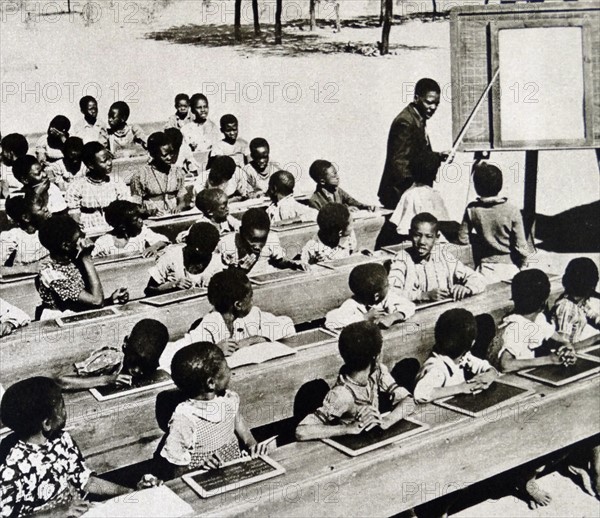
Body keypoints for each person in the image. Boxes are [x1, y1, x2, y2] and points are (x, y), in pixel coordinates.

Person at [0, 377, 156, 516]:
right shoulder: (10, 468)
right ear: (46, 423)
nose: (65, 410)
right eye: (62, 406)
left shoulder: (62, 439)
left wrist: (129, 493)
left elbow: (85, 481)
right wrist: (55, 512)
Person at [159, 344, 270, 476]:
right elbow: (176, 471)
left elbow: (239, 423)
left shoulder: (227, 399)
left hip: (235, 471)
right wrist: (200, 468)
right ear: (211, 383)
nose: (230, 371)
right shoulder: (185, 418)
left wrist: (252, 444)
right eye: (227, 368)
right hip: (204, 480)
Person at [295, 321, 415, 440]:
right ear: (377, 357)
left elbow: (409, 401)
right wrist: (347, 429)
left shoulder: (377, 373)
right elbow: (301, 431)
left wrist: (387, 421)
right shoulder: (342, 395)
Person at [159, 269, 295, 368]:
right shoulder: (209, 324)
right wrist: (213, 351)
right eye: (250, 297)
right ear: (238, 305)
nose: (253, 301)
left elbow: (287, 325)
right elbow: (172, 356)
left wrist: (253, 339)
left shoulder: (252, 316)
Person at [36, 214, 129, 320]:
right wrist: (87, 258)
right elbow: (96, 301)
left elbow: (85, 303)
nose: (84, 239)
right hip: (58, 322)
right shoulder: (51, 274)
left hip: (76, 316)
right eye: (80, 236)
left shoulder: (71, 260)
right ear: (66, 246)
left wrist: (110, 300)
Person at [378, 78, 450, 209]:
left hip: (410, 193)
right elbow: (399, 162)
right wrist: (415, 192)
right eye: (429, 103)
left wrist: (439, 156)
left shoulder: (417, 117)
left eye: (436, 104)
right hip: (401, 194)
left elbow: (417, 154)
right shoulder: (405, 122)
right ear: (417, 98)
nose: (433, 108)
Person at [458, 162, 532, 283]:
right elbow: (522, 246)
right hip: (510, 268)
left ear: (476, 187)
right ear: (500, 185)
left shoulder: (472, 209)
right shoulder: (512, 210)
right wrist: (523, 266)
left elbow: (462, 239)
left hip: (485, 268)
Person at [388, 212, 486, 302]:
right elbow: (390, 292)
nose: (422, 242)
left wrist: (467, 288)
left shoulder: (443, 255)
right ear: (410, 234)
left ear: (437, 238)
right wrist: (422, 295)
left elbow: (477, 278)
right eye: (417, 235)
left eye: (429, 236)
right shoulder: (402, 258)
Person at [57, 319, 169, 391]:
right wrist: (107, 380)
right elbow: (61, 381)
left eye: (145, 365)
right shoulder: (110, 358)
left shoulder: (152, 363)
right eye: (134, 362)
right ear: (125, 344)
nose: (137, 370)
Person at [413, 308, 498, 403]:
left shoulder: (463, 357)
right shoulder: (436, 368)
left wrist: (490, 374)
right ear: (472, 344)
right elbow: (420, 394)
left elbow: (484, 366)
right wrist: (461, 387)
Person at [497, 269, 575, 374]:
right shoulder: (516, 327)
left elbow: (559, 339)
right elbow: (506, 365)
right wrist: (549, 360)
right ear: (544, 302)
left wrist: (567, 348)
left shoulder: (538, 319)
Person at [326, 263, 415, 331]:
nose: (390, 286)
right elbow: (330, 321)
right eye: (387, 284)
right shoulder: (353, 303)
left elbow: (410, 306)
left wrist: (393, 317)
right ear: (376, 296)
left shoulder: (387, 298)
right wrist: (364, 318)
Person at [66, 141, 129, 233]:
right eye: (104, 161)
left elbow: (126, 209)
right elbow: (74, 217)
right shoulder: (77, 186)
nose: (109, 163)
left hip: (115, 228)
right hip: (88, 230)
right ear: (91, 165)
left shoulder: (116, 182)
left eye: (109, 158)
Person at [217, 207, 304, 274]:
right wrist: (239, 271)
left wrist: (292, 264)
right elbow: (221, 277)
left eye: (262, 240)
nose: (257, 246)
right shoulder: (227, 244)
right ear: (242, 232)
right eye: (253, 239)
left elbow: (279, 260)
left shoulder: (271, 239)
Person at [146, 222, 224, 295]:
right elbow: (149, 290)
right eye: (197, 251)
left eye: (206, 251)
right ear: (188, 243)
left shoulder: (216, 261)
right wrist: (173, 285)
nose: (201, 255)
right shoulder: (172, 256)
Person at [389, 154, 449, 237]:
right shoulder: (433, 195)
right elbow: (443, 221)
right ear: (434, 173)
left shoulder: (408, 193)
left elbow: (398, 221)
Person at [130, 131, 188, 217]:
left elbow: (182, 200)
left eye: (171, 153)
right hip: (152, 217)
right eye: (164, 155)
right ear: (153, 154)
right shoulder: (140, 174)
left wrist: (179, 207)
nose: (169, 157)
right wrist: (149, 212)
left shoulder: (177, 171)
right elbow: (135, 206)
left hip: (174, 216)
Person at [92, 200, 170, 259]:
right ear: (123, 226)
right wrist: (98, 256)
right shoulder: (105, 240)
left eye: (140, 217)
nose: (140, 220)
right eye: (135, 220)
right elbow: (91, 257)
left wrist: (153, 247)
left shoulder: (141, 232)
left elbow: (163, 240)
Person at [550, 258, 600, 343]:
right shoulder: (567, 308)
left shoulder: (578, 302)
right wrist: (596, 339)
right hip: (568, 353)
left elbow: (593, 317)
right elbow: (562, 346)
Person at [1, 196, 49, 270]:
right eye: (40, 208)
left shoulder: (48, 229)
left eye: (44, 205)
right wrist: (29, 268)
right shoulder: (13, 237)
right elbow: (1, 270)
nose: (46, 209)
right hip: (25, 279)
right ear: (26, 218)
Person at [307, 159, 375, 212]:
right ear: (322, 181)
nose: (338, 177)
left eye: (336, 173)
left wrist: (366, 207)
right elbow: (324, 218)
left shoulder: (338, 191)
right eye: (334, 176)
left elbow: (353, 202)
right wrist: (345, 210)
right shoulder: (315, 201)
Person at [176, 188, 240, 243]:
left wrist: (237, 228)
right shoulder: (201, 224)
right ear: (210, 212)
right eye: (223, 208)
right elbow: (186, 235)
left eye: (227, 206)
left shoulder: (226, 218)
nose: (227, 209)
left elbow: (238, 224)